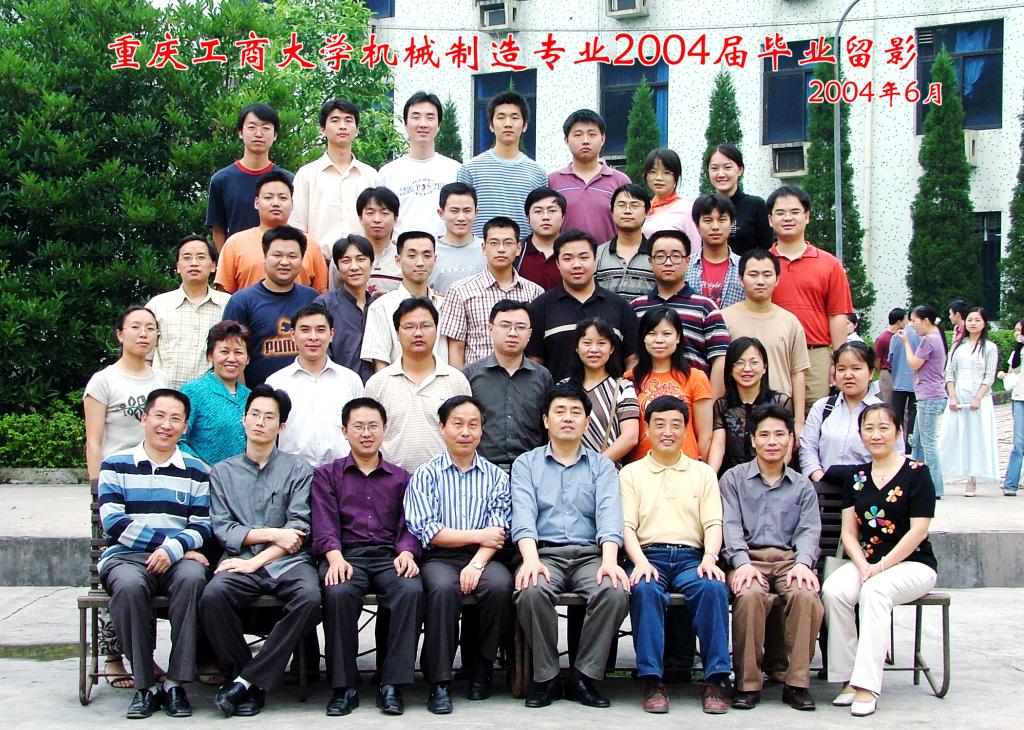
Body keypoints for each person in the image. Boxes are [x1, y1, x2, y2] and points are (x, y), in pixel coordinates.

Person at [200, 385, 322, 718]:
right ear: (244, 419)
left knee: (310, 598)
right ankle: (249, 678)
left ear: (281, 426)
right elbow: (224, 528)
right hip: (239, 560)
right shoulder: (223, 472)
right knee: (213, 597)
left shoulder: (298, 470)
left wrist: (256, 560)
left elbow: (297, 532)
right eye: (254, 414)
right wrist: (272, 535)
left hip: (288, 562)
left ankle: (244, 683)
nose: (260, 422)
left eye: (269, 417)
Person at [511, 381, 630, 709]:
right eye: (560, 411)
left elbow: (609, 516)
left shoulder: (602, 466)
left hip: (591, 555)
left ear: (587, 421)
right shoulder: (526, 464)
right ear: (545, 420)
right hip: (544, 553)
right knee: (531, 590)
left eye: (575, 412)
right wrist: (530, 560)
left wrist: (610, 561)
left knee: (615, 591)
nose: (567, 418)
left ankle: (583, 675)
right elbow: (523, 516)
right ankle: (546, 676)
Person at [98, 389, 212, 719]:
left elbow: (203, 525)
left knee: (193, 579)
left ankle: (176, 683)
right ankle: (145, 685)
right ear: (144, 418)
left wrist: (173, 551)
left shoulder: (195, 470)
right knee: (129, 586)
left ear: (185, 427)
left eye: (175, 419)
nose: (166, 425)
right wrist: (165, 545)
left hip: (177, 560)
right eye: (159, 416)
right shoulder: (116, 464)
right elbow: (113, 521)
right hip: (127, 557)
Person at [822, 404, 938, 717]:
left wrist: (881, 568)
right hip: (867, 562)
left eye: (884, 428)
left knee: (874, 592)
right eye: (869, 428)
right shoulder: (856, 476)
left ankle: (867, 686)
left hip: (912, 564)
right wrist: (863, 565)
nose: (876, 435)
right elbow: (848, 532)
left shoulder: (917, 473)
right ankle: (847, 678)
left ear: (898, 432)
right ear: (860, 434)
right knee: (834, 590)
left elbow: (919, 531)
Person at [310, 397, 423, 717]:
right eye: (358, 426)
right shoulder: (327, 475)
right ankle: (344, 686)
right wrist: (334, 557)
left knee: (410, 590)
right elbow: (323, 521)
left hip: (389, 555)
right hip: (345, 555)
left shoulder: (402, 477)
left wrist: (407, 551)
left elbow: (410, 523)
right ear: (344, 431)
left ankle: (392, 684)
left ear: (385, 429)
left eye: (373, 426)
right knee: (338, 592)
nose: (366, 433)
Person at [620, 395, 732, 715]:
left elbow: (713, 523)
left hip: (691, 557)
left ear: (686, 429)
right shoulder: (631, 473)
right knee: (644, 589)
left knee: (713, 588)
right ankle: (653, 680)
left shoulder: (703, 473)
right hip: (648, 555)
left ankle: (716, 679)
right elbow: (626, 527)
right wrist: (640, 562)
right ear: (647, 428)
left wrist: (710, 557)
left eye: (675, 425)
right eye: (659, 424)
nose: (667, 432)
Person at [404, 396, 514, 713]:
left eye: (473, 425)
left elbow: (498, 530)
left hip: (484, 556)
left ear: (482, 430)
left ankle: (482, 669)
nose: (465, 432)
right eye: (457, 424)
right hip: (440, 556)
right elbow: (428, 530)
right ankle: (439, 681)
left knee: (499, 587)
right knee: (441, 589)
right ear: (442, 427)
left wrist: (477, 563)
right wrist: (478, 535)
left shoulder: (496, 476)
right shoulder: (426, 474)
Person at [84, 305, 169, 689]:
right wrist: (97, 486)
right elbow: (94, 439)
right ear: (120, 334)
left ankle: (144, 657)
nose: (143, 334)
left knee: (146, 570)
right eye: (135, 327)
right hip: (116, 488)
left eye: (150, 328)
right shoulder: (104, 381)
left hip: (155, 485)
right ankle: (113, 657)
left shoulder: (162, 379)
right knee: (115, 569)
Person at [720, 404, 823, 712]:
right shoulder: (733, 479)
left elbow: (809, 530)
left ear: (791, 439)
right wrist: (741, 563)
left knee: (806, 595)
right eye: (764, 435)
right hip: (747, 559)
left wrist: (804, 563)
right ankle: (747, 683)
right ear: (753, 440)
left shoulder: (802, 485)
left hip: (789, 561)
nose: (772, 442)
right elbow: (730, 525)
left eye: (780, 434)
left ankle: (797, 683)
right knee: (749, 595)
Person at [767, 185, 853, 407]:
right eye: (780, 212)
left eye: (794, 212)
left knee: (817, 415)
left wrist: (839, 361)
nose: (788, 218)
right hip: (773, 355)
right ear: (770, 219)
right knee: (772, 416)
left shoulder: (829, 264)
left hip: (815, 355)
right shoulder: (762, 265)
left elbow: (837, 315)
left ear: (807, 217)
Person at [364, 298, 472, 472]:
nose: (418, 333)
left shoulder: (456, 381)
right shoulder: (378, 383)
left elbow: (465, 435)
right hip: (391, 480)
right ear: (397, 333)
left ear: (436, 331)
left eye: (426, 326)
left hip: (444, 479)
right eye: (409, 327)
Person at [527, 229, 639, 381]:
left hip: (610, 395)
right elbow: (535, 363)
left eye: (584, 257)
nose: (576, 265)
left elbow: (632, 360)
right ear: (557, 263)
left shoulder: (620, 307)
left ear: (595, 260)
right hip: (557, 395)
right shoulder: (540, 307)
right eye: (568, 259)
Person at [631, 229, 730, 398]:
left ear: (688, 260)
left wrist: (712, 404)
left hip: (694, 399)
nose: (668, 262)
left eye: (676, 256)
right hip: (646, 399)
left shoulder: (705, 307)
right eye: (660, 256)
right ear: (650, 261)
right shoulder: (636, 307)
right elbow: (632, 358)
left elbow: (720, 359)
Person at [265, 304, 364, 467]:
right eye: (305, 330)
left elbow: (361, 427)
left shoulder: (350, 380)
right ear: (292, 334)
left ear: (331, 334)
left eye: (320, 330)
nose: (313, 337)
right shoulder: (276, 382)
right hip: (291, 473)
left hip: (342, 471)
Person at [220, 226, 319, 386]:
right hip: (259, 396)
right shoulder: (242, 301)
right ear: (265, 257)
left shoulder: (312, 298)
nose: (284, 262)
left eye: (292, 256)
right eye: (277, 255)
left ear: (302, 260)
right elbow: (230, 355)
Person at [441, 217, 543, 368]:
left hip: (522, 378)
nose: (501, 249)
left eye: (508, 243)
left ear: (518, 248)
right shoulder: (461, 290)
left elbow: (536, 349)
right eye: (494, 243)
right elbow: (456, 347)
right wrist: (460, 381)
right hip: (476, 378)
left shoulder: (535, 292)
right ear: (483, 248)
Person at [463, 301, 553, 471]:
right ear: (490, 329)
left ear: (530, 334)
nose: (512, 333)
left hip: (532, 470)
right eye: (505, 326)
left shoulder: (543, 377)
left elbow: (549, 427)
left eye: (520, 327)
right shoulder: (470, 375)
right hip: (482, 470)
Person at [721, 249, 808, 418]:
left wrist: (799, 419)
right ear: (740, 279)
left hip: (779, 414)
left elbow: (797, 373)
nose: (760, 281)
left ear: (777, 279)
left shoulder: (790, 322)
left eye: (767, 275)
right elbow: (719, 369)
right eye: (753, 275)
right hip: (736, 413)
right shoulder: (724, 319)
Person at [800, 342, 901, 483]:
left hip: (870, 489)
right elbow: (807, 449)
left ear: (871, 373)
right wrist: (820, 478)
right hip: (824, 488)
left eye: (856, 368)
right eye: (841, 369)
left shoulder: (884, 413)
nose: (848, 375)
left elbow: (897, 455)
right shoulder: (822, 408)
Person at [289, 98, 377, 261]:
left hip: (362, 264)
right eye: (335, 120)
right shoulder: (307, 175)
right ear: (322, 129)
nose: (342, 126)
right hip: (319, 262)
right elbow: (297, 226)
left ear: (357, 130)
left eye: (348, 120)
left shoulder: (371, 175)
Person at [215, 171, 328, 294]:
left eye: (283, 198)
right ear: (256, 203)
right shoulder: (235, 243)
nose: (275, 203)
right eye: (268, 197)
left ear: (292, 204)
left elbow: (321, 293)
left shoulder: (310, 244)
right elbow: (224, 295)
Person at [626, 307, 713, 463]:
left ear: (678, 337)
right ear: (643, 338)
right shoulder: (630, 378)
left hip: (686, 465)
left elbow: (705, 435)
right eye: (652, 333)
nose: (659, 340)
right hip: (642, 467)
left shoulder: (696, 378)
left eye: (666, 334)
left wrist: (701, 468)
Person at [457, 91, 546, 238]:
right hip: (481, 249)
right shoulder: (470, 169)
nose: (508, 123)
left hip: (521, 250)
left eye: (515, 117)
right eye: (501, 117)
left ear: (525, 125)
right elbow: (461, 215)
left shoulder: (538, 173)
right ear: (491, 125)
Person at [146, 235, 230, 388]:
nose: (194, 263)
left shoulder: (229, 304)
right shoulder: (157, 305)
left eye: (201, 257)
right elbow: (145, 357)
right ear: (178, 266)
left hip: (213, 395)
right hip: (166, 395)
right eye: (187, 258)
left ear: (213, 266)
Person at [207, 103, 290, 250]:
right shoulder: (221, 180)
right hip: (238, 258)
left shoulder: (288, 180)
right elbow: (218, 228)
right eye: (252, 127)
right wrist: (226, 260)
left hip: (279, 258)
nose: (258, 134)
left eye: (265, 128)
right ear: (240, 132)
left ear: (275, 135)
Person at [361, 231, 448, 371]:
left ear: (435, 259)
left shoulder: (446, 305)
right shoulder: (381, 307)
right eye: (412, 256)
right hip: (396, 383)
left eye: (427, 256)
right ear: (398, 260)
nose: (420, 263)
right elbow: (380, 362)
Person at [378, 91, 460, 238]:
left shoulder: (455, 170)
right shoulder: (387, 173)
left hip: (445, 250)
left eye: (430, 117)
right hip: (401, 250)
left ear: (439, 124)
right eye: (416, 117)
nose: (423, 124)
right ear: (405, 123)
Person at [709, 337, 793, 475]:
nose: (747, 369)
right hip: (732, 479)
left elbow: (787, 445)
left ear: (764, 367)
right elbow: (718, 446)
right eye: (739, 363)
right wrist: (710, 477)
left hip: (771, 477)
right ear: (730, 369)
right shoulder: (722, 405)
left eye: (754, 362)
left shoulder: (780, 402)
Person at [939, 307, 999, 496]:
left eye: (977, 320)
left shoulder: (989, 347)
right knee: (952, 434)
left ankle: (972, 478)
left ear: (984, 323)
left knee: (976, 436)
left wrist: (978, 397)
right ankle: (942, 474)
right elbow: (949, 372)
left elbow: (989, 376)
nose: (973, 323)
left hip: (979, 398)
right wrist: (952, 395)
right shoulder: (958, 346)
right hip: (958, 395)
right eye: (970, 319)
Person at [547, 109, 630, 243]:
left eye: (592, 134)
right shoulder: (552, 181)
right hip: (564, 255)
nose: (585, 141)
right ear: (566, 140)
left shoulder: (620, 181)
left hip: (609, 255)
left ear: (602, 139)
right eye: (578, 135)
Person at [566, 317, 640, 466]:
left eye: (601, 343)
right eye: (587, 343)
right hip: (567, 471)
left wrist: (595, 466)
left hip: (608, 472)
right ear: (577, 347)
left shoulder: (623, 387)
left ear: (611, 348)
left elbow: (630, 437)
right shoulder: (563, 387)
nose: (594, 349)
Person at [179, 321, 252, 466]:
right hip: (200, 476)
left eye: (238, 352)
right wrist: (204, 469)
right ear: (210, 356)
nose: (232, 359)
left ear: (248, 358)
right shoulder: (192, 392)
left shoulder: (251, 397)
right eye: (224, 352)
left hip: (243, 476)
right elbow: (178, 439)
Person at [896, 305, 947, 498]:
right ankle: (917, 482)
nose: (911, 325)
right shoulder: (935, 336)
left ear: (926, 320)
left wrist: (906, 342)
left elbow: (913, 364)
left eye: (914, 321)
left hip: (929, 397)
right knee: (916, 441)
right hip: (928, 396)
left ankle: (935, 488)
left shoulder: (929, 339)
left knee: (927, 442)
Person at [314, 235, 376, 383]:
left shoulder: (378, 307)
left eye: (360, 259)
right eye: (346, 261)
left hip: (375, 389)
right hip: (336, 386)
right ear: (338, 267)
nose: (354, 267)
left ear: (371, 264)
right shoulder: (324, 305)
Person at [705, 144, 773, 256]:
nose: (721, 174)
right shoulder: (703, 207)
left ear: (740, 170)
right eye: (714, 168)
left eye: (727, 167)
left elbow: (766, 248)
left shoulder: (756, 205)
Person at [594, 183, 656, 300]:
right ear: (612, 211)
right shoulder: (597, 254)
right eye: (621, 205)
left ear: (647, 212)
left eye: (634, 205)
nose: (627, 211)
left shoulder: (657, 254)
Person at [686, 194, 743, 310]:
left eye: (722, 220)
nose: (715, 227)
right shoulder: (685, 266)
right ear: (697, 226)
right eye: (708, 220)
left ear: (731, 224)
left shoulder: (745, 267)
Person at [640, 148, 701, 258]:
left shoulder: (687, 209)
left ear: (676, 176)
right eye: (653, 172)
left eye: (666, 173)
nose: (659, 178)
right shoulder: (643, 208)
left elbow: (694, 252)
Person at [430, 182, 485, 293]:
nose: (461, 218)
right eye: (454, 211)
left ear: (476, 212)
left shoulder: (488, 249)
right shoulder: (429, 251)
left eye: (467, 211)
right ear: (441, 213)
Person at [515, 187, 565, 291]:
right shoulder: (517, 252)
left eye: (552, 211)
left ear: (563, 216)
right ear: (527, 217)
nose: (545, 217)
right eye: (538, 211)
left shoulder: (573, 250)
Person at [356, 186, 403, 295]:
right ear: (360, 218)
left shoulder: (405, 258)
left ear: (395, 219)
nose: (377, 219)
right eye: (370, 213)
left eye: (384, 213)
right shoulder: (346, 256)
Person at [998, 318, 1024, 496]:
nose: (1017, 333)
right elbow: (1012, 369)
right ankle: (1011, 484)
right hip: (1020, 398)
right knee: (1018, 443)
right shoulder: (1018, 351)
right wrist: (1018, 346)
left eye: (1020, 330)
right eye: (1016, 330)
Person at [888, 314, 920, 449]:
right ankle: (910, 444)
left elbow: (890, 358)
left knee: (896, 414)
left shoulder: (897, 336)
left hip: (898, 380)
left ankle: (896, 444)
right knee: (913, 414)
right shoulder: (921, 335)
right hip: (916, 381)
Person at [874, 309, 907, 404]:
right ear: (899, 321)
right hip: (888, 373)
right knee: (887, 401)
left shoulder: (903, 336)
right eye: (905, 319)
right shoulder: (882, 338)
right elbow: (877, 358)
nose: (906, 322)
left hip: (901, 373)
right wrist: (881, 372)